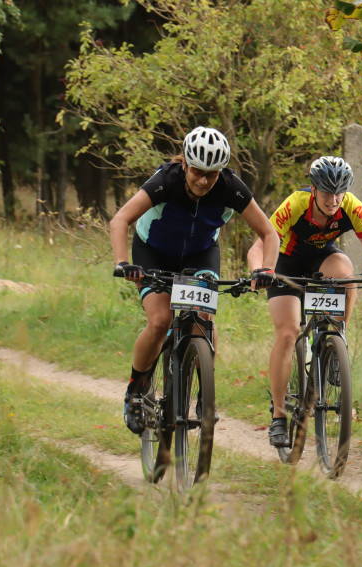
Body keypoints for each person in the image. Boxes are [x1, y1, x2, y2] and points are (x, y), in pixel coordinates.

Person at [111, 126, 279, 434]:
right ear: (185, 165)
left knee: (203, 319)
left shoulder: (231, 187)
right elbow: (120, 220)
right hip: (153, 251)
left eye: (212, 174)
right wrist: (123, 263)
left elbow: (269, 233)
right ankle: (136, 390)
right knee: (160, 321)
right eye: (198, 172)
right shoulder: (165, 181)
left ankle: (206, 395)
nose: (204, 181)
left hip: (200, 254)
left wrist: (265, 270)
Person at [246, 155, 362, 448]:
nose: (333, 199)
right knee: (288, 333)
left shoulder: (352, 207)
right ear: (314, 190)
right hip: (285, 265)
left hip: (321, 259)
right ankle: (279, 415)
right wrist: (259, 271)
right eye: (327, 192)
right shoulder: (295, 204)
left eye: (339, 192)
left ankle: (337, 335)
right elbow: (259, 246)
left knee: (346, 272)